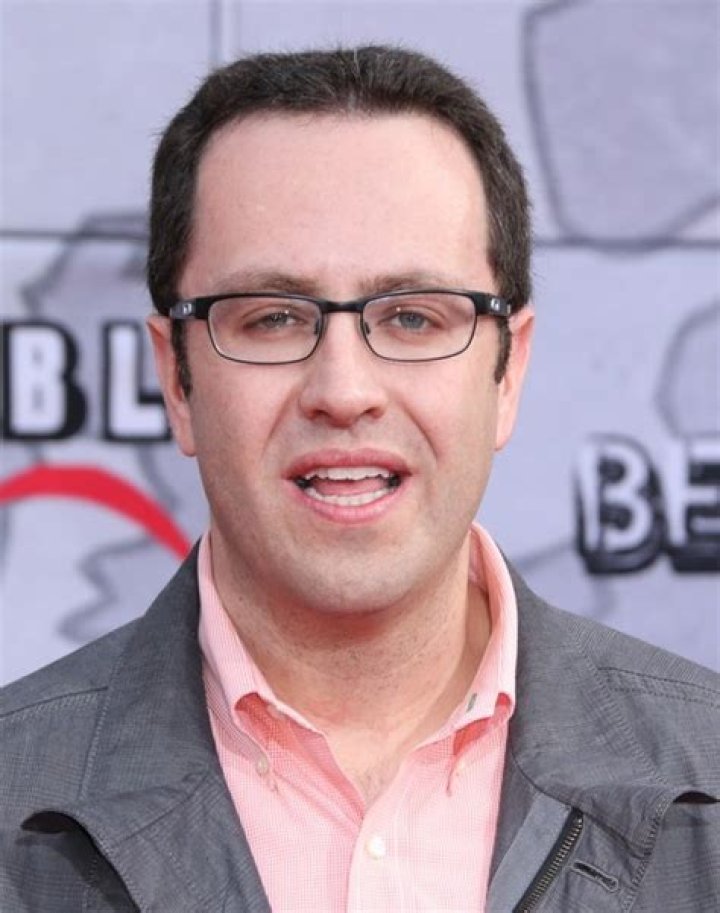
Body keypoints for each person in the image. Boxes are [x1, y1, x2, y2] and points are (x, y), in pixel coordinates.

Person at [1, 45, 717, 913]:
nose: (343, 391)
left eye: (413, 316)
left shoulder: (705, 773)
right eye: (272, 318)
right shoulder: (15, 793)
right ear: (176, 380)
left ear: (508, 372)